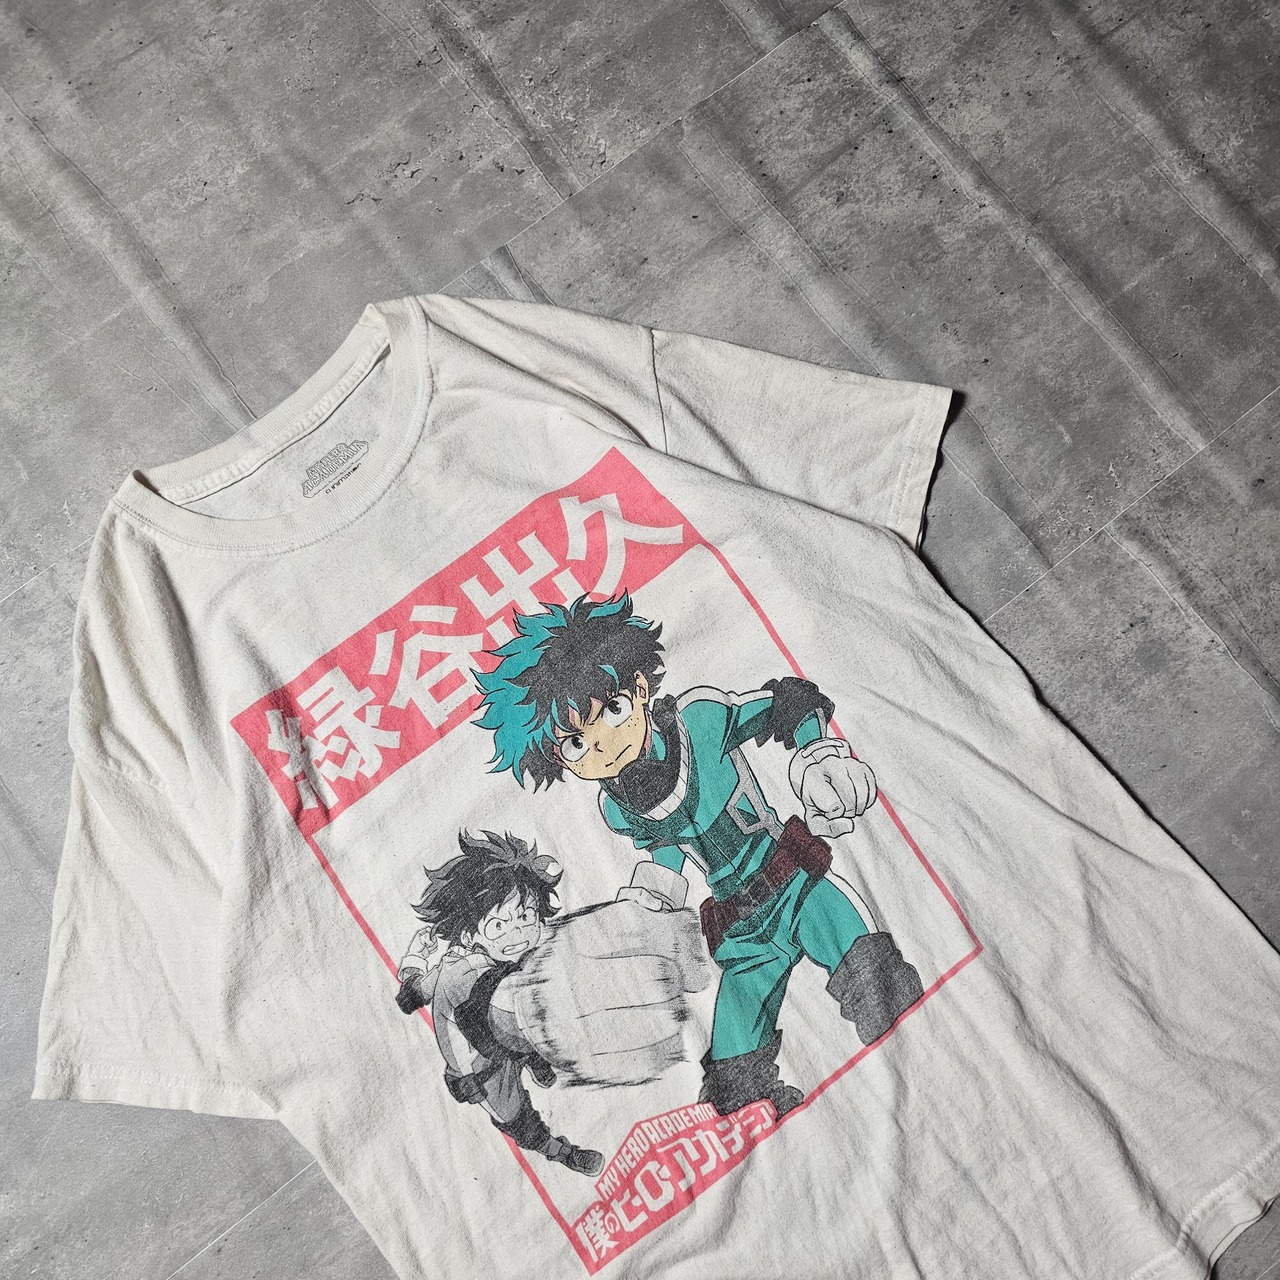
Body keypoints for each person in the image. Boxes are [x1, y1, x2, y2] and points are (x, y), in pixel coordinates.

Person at [473, 593, 924, 1117]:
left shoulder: (701, 719)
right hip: (741, 929)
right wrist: (642, 920)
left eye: (613, 710)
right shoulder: (618, 807)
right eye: (575, 743)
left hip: (798, 885)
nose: (602, 744)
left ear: (639, 688)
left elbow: (787, 705)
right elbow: (665, 857)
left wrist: (817, 755)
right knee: (734, 1071)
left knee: (877, 983)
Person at [394, 829, 604, 1176]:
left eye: (526, 917)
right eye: (498, 925)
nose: (517, 934)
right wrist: (416, 959)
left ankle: (536, 1062)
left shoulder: (502, 955)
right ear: (468, 934)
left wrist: (416, 961)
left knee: (529, 1026)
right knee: (517, 1118)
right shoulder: (461, 974)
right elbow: (415, 998)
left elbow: (411, 995)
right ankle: (561, 1152)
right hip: (482, 1063)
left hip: (511, 1033)